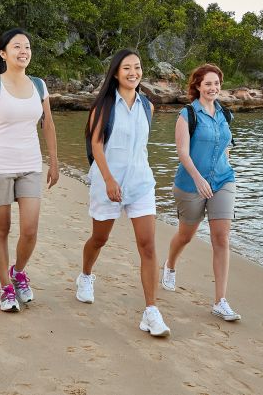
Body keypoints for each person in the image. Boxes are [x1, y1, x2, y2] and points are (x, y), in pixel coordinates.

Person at [75, 49, 170, 337]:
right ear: (116, 72)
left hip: (141, 184)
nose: (133, 72)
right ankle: (86, 276)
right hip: (109, 184)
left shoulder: (147, 106)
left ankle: (151, 312)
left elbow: (140, 148)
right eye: (126, 67)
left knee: (148, 246)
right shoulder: (103, 106)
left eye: (137, 67)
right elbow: (96, 146)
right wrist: (108, 180)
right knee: (100, 238)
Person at [0, 28, 59, 313]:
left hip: (31, 165)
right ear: (3, 53)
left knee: (30, 230)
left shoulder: (39, 85)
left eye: (27, 47)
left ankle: (18, 272)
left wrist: (55, 162)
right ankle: (5, 288)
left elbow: (48, 123)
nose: (24, 51)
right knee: (1, 228)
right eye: (17, 46)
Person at [161, 64, 241, 321]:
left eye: (216, 83)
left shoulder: (225, 114)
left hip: (223, 180)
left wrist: (224, 167)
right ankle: (170, 264)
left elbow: (226, 145)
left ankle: (220, 301)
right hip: (190, 183)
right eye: (207, 84)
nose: (213, 88)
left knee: (222, 238)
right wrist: (198, 179)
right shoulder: (187, 114)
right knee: (186, 235)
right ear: (197, 86)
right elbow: (182, 152)